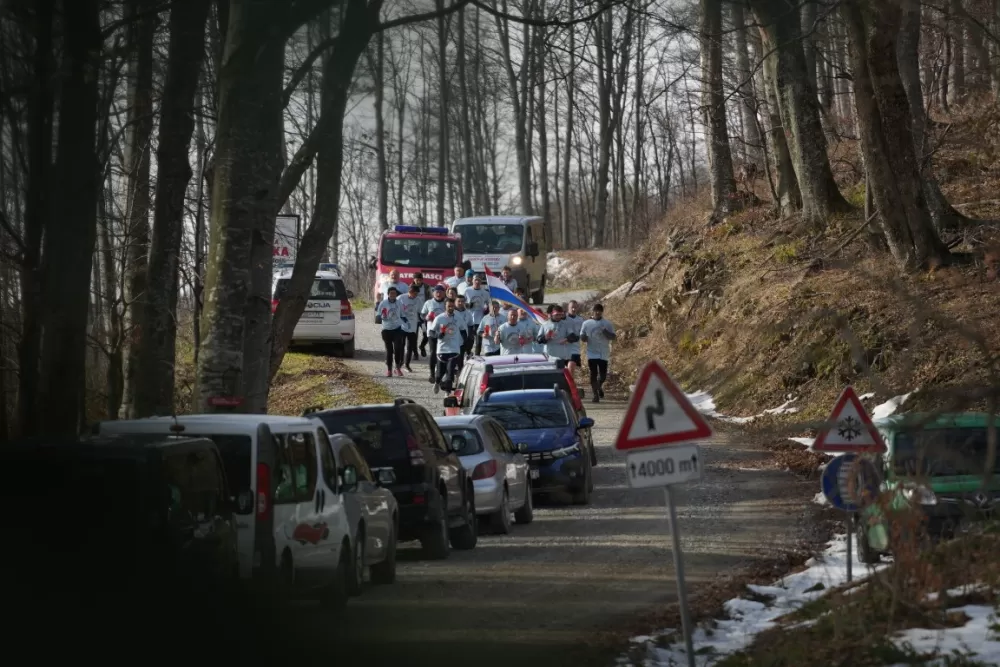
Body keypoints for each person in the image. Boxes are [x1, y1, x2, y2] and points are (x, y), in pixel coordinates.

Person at [580, 303, 617, 403]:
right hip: (591, 352)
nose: (597, 312)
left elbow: (613, 337)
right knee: (593, 373)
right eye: (595, 310)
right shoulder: (586, 323)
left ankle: (599, 386)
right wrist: (584, 337)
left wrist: (605, 331)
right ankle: (595, 394)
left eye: (599, 311)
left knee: (603, 375)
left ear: (602, 312)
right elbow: (582, 336)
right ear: (592, 311)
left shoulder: (607, 323)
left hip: (603, 352)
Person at [428, 298, 464, 394]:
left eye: (452, 306)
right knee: (440, 373)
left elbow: (463, 330)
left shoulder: (458, 318)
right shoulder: (439, 318)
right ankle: (437, 382)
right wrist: (437, 335)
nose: (451, 308)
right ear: (445, 306)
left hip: (454, 349)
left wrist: (464, 341)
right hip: (442, 349)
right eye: (449, 306)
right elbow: (431, 331)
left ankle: (447, 392)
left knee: (450, 371)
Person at [420, 284, 448, 383]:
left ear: (444, 293)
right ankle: (432, 374)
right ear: (433, 293)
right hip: (431, 331)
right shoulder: (428, 303)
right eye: (437, 292)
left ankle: (441, 373)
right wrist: (426, 317)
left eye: (441, 292)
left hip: (444, 331)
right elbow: (422, 314)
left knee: (443, 352)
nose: (438, 294)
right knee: (433, 352)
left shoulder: (446, 303)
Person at [376, 286, 406, 377]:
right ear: (388, 294)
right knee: (389, 350)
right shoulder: (383, 303)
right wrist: (382, 316)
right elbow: (378, 315)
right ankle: (389, 369)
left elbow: (403, 315)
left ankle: (397, 368)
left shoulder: (399, 303)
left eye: (394, 293)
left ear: (396, 294)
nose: (393, 295)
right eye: (391, 293)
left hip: (397, 329)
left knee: (398, 348)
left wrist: (407, 324)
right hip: (386, 330)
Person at [397, 283, 423, 373]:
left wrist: (423, 321)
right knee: (401, 345)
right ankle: (400, 362)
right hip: (402, 325)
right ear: (409, 291)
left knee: (410, 346)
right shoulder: (401, 298)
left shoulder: (418, 300)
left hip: (412, 326)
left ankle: (407, 364)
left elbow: (421, 312)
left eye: (416, 293)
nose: (415, 295)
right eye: (413, 293)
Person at [463, 275, 491, 355]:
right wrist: (467, 305)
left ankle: (477, 355)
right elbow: (461, 302)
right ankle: (468, 353)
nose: (477, 282)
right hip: (469, 319)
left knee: (479, 341)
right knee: (470, 339)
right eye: (475, 280)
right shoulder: (467, 290)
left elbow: (489, 304)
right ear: (472, 281)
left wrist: (487, 309)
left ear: (481, 282)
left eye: (479, 280)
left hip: (480, 319)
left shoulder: (485, 292)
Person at [564, 300, 584, 374]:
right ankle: (566, 384)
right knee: (564, 372)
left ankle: (570, 385)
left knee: (571, 368)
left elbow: (583, 333)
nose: (573, 309)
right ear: (568, 308)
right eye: (572, 307)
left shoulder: (580, 320)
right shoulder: (563, 319)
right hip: (563, 349)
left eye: (575, 307)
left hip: (575, 349)